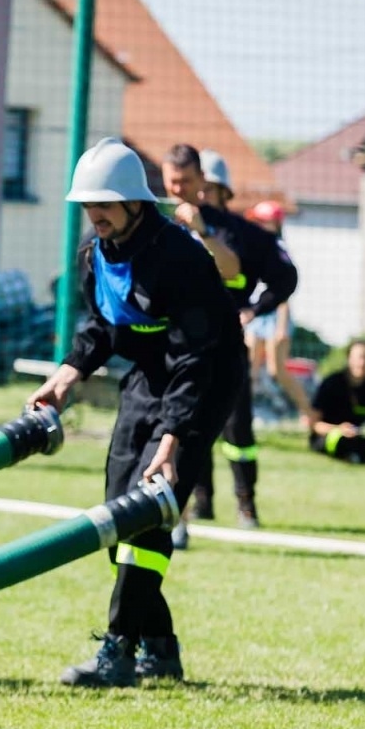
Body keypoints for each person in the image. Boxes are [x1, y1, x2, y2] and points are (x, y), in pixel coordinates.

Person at [28, 139, 245, 688]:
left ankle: (119, 649)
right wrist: (68, 372)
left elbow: (196, 356)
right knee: (118, 507)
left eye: (105, 203)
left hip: (205, 379)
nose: (94, 214)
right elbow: (103, 327)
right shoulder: (93, 254)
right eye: (87, 205)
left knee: (148, 508)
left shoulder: (181, 257)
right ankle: (161, 646)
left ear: (135, 204)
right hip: (148, 376)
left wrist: (175, 437)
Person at [161, 145, 297, 529]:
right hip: (177, 345)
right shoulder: (156, 222)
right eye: (176, 183)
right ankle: (193, 505)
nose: (187, 193)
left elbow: (272, 277)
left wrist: (254, 309)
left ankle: (245, 505)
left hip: (225, 346)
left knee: (237, 429)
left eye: (196, 185)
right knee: (184, 425)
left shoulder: (237, 232)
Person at [242, 199, 315, 424]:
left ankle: (309, 413)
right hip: (255, 314)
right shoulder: (253, 247)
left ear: (275, 224)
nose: (259, 226)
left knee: (277, 370)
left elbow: (283, 293)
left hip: (275, 316)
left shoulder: (279, 250)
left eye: (263, 222)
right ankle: (244, 417)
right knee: (249, 369)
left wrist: (282, 327)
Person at [309, 340, 365, 464]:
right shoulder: (332, 383)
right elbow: (314, 424)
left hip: (355, 436)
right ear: (348, 358)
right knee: (345, 442)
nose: (361, 363)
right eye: (358, 358)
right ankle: (362, 455)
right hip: (329, 436)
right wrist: (338, 429)